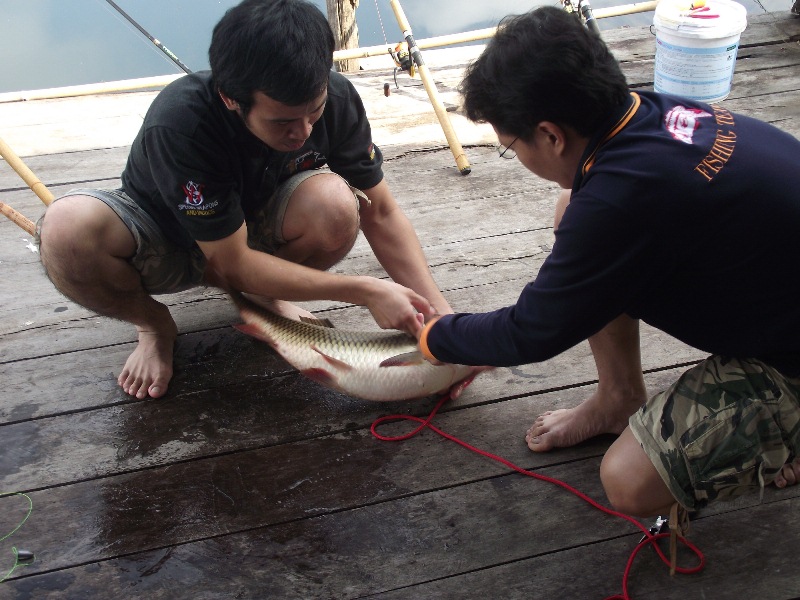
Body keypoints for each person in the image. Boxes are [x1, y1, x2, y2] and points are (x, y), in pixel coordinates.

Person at [416, 6, 800, 518]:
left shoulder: (625, 199)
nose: (517, 155)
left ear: (551, 136)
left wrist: (434, 338)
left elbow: (533, 332)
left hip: (789, 359)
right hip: (778, 301)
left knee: (630, 482)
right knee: (575, 208)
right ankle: (618, 398)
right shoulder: (647, 113)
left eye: (510, 145)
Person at [36, 0, 453, 400]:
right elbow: (230, 263)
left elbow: (380, 212)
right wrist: (366, 291)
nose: (303, 131)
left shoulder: (337, 100)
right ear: (230, 99)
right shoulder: (182, 122)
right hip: (172, 241)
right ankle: (153, 325)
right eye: (283, 121)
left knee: (338, 203)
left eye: (314, 111)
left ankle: (266, 297)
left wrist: (440, 317)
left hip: (250, 234)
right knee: (65, 228)